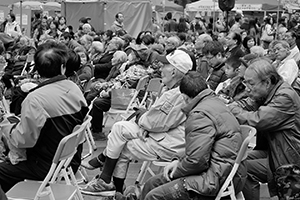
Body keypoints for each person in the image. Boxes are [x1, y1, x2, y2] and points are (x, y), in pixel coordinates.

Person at [81, 50, 192, 196]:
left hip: (170, 143)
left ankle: (109, 180)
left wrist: (142, 116)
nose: (160, 68)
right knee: (119, 129)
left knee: (122, 142)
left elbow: (154, 123)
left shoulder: (176, 93)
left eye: (165, 65)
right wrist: (145, 118)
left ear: (174, 72)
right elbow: (159, 120)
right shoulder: (174, 89)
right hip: (165, 135)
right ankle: (109, 182)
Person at [140, 71, 247, 200]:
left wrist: (178, 169)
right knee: (151, 184)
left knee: (153, 196)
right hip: (227, 173)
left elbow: (197, 161)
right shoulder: (215, 102)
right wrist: (177, 161)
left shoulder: (199, 115)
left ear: (184, 97)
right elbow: (198, 152)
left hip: (213, 179)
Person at [0, 41, 89, 192]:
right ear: (62, 67)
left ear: (37, 69)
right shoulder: (73, 88)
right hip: (69, 160)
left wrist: (6, 125)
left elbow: (23, 141)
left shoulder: (35, 99)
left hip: (46, 166)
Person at [228, 58, 300, 200]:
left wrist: (232, 110)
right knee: (235, 160)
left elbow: (257, 119)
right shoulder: (268, 92)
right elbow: (247, 103)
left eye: (251, 83)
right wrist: (231, 106)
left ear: (267, 82)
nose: (247, 88)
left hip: (290, 160)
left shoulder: (284, 97)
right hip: (274, 151)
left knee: (243, 169)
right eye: (245, 82)